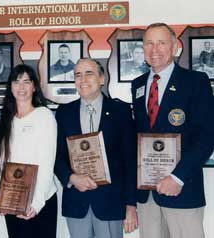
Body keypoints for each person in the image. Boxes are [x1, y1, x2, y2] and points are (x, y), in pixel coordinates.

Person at [131, 23, 214, 238]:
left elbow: (207, 136)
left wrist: (177, 177)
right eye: (149, 43)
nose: (154, 49)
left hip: (182, 189)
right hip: (147, 194)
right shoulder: (138, 85)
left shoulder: (196, 81)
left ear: (175, 46)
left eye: (161, 43)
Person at [54, 58, 138, 238]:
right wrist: (71, 178)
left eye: (88, 74)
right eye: (77, 75)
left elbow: (130, 161)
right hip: (77, 201)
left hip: (111, 202)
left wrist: (131, 205)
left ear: (102, 79)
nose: (82, 79)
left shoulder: (120, 111)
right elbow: (56, 156)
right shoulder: (64, 113)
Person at [0, 64, 58, 238]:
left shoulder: (44, 116)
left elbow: (47, 162)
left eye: (27, 82)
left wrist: (35, 203)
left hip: (40, 201)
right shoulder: (1, 120)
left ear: (34, 87)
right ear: (10, 87)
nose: (21, 87)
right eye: (17, 81)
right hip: (12, 199)